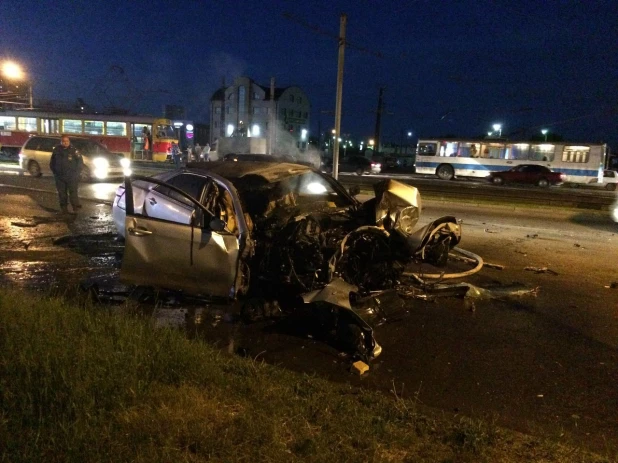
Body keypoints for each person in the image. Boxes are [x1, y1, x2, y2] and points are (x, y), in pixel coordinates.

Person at [50, 135, 83, 214]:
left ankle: (75, 208)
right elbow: (52, 162)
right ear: (61, 142)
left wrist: (76, 174)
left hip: (72, 177)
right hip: (60, 177)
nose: (65, 143)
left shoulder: (74, 151)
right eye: (63, 141)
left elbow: (80, 163)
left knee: (73, 192)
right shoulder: (57, 150)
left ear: (69, 142)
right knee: (62, 193)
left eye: (67, 141)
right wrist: (55, 172)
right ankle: (64, 209)